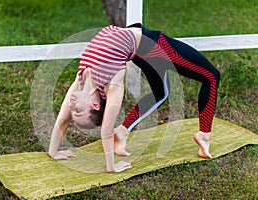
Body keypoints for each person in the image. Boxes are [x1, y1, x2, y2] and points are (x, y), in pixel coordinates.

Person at [48, 23, 221, 173]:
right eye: (78, 110)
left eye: (74, 111)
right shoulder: (114, 83)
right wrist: (111, 166)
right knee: (212, 76)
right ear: (95, 104)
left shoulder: (80, 80)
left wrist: (53, 152)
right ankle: (204, 135)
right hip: (151, 44)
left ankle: (122, 133)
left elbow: (63, 118)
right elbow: (106, 130)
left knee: (160, 93)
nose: (71, 105)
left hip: (135, 42)